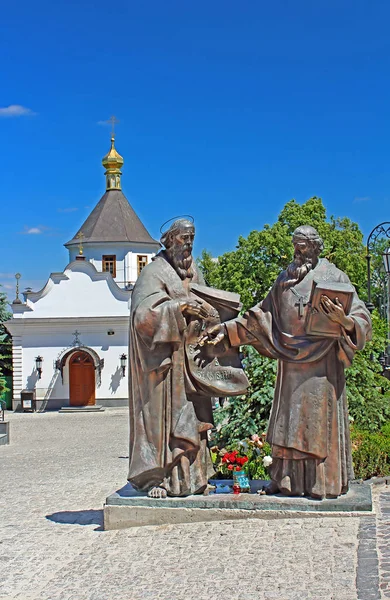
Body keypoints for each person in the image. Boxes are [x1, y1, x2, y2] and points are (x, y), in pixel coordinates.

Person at [199, 225, 372, 499]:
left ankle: (321, 483)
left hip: (322, 367)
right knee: (288, 424)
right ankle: (288, 481)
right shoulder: (283, 281)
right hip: (290, 366)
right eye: (294, 245)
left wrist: (345, 321)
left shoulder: (334, 276)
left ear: (315, 247)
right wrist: (227, 330)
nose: (297, 251)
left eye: (302, 246)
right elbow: (260, 318)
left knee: (316, 424)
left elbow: (362, 318)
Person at [128, 218, 222, 498]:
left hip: (191, 361)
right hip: (164, 368)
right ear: (170, 241)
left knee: (194, 418)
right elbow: (142, 317)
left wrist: (213, 323)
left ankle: (195, 478)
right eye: (183, 239)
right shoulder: (154, 273)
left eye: (192, 238)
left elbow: (208, 305)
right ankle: (160, 479)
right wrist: (178, 306)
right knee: (165, 423)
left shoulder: (194, 272)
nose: (189, 244)